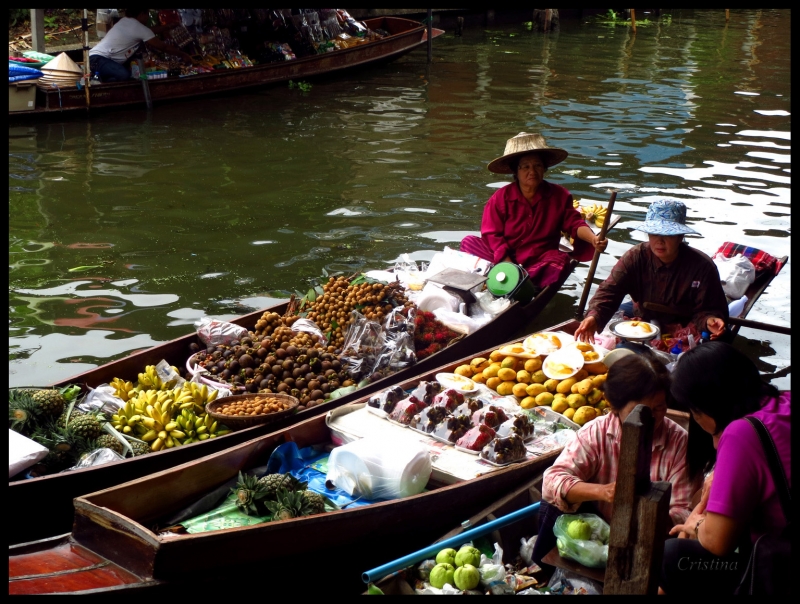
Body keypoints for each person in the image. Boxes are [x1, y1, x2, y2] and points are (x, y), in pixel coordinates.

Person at [532, 353, 694, 568]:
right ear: (614, 406)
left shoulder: (679, 442)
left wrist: (650, 515)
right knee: (554, 504)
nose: (653, 419)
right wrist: (604, 492)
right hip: (595, 533)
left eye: (659, 408)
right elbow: (552, 480)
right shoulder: (597, 432)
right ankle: (544, 571)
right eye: (642, 412)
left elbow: (683, 510)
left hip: (647, 540)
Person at [659, 341, 790, 596]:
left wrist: (696, 524)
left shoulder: (741, 434)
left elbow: (718, 543)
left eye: (695, 413)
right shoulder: (784, 400)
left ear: (707, 406)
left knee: (674, 556)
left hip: (779, 565)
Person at [460, 132, 607, 290]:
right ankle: (512, 279)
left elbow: (574, 223)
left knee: (559, 260)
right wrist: (508, 266)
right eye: (525, 167)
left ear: (544, 168)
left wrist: (593, 239)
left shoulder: (559, 195)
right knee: (469, 242)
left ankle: (525, 284)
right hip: (503, 257)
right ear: (516, 171)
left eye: (537, 165)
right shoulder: (500, 198)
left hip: (537, 260)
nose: (532, 171)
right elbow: (491, 234)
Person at [573, 198, 729, 344]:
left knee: (711, 347)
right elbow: (609, 291)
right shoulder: (635, 257)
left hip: (686, 321)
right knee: (612, 321)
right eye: (654, 234)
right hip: (645, 313)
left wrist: (710, 320)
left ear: (681, 236)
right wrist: (594, 317)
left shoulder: (702, 267)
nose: (659, 241)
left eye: (668, 235)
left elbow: (709, 309)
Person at [89, 8, 193, 82]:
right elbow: (164, 47)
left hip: (95, 58)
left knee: (125, 74)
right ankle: (98, 79)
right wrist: (183, 55)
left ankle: (100, 79)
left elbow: (149, 31)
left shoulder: (125, 21)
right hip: (98, 60)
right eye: (147, 14)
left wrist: (168, 27)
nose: (147, 18)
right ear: (142, 14)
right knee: (124, 75)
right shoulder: (138, 27)